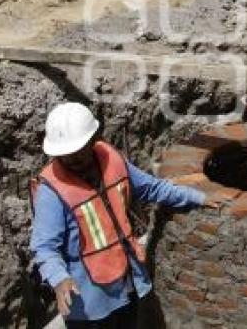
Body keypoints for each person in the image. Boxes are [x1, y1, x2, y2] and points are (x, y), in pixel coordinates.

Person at [30, 102, 218, 328]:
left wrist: (197, 197)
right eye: (65, 155)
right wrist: (59, 279)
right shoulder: (52, 192)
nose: (71, 160)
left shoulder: (112, 161)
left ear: (92, 141)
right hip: (89, 303)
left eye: (77, 152)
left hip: (128, 282)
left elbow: (152, 188)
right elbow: (45, 247)